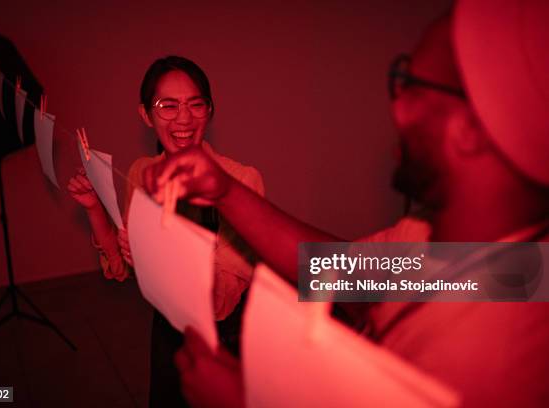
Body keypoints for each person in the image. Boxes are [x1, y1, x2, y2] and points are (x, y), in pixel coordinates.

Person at [142, 1, 549, 406]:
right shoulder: (437, 242)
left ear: (471, 129)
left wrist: (245, 402)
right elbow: (337, 271)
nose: (396, 107)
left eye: (410, 85)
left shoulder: (504, 354)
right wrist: (225, 193)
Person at [67, 56, 264, 407]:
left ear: (209, 111)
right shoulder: (142, 172)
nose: (184, 119)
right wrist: (95, 208)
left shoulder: (241, 180)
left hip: (225, 342)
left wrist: (160, 257)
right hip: (168, 336)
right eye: (167, 106)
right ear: (145, 114)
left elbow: (221, 302)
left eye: (195, 105)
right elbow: (121, 267)